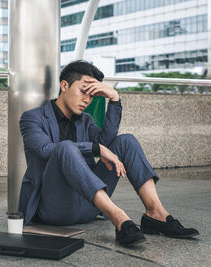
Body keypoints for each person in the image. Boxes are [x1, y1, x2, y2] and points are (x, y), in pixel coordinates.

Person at [17, 60, 199, 247]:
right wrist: (95, 148)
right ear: (64, 85)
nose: (87, 100)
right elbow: (46, 150)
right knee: (66, 147)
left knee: (126, 141)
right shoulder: (33, 118)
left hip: (88, 205)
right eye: (83, 91)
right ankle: (119, 218)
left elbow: (107, 144)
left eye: (92, 95)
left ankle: (156, 214)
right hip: (54, 209)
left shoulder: (85, 120)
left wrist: (114, 99)